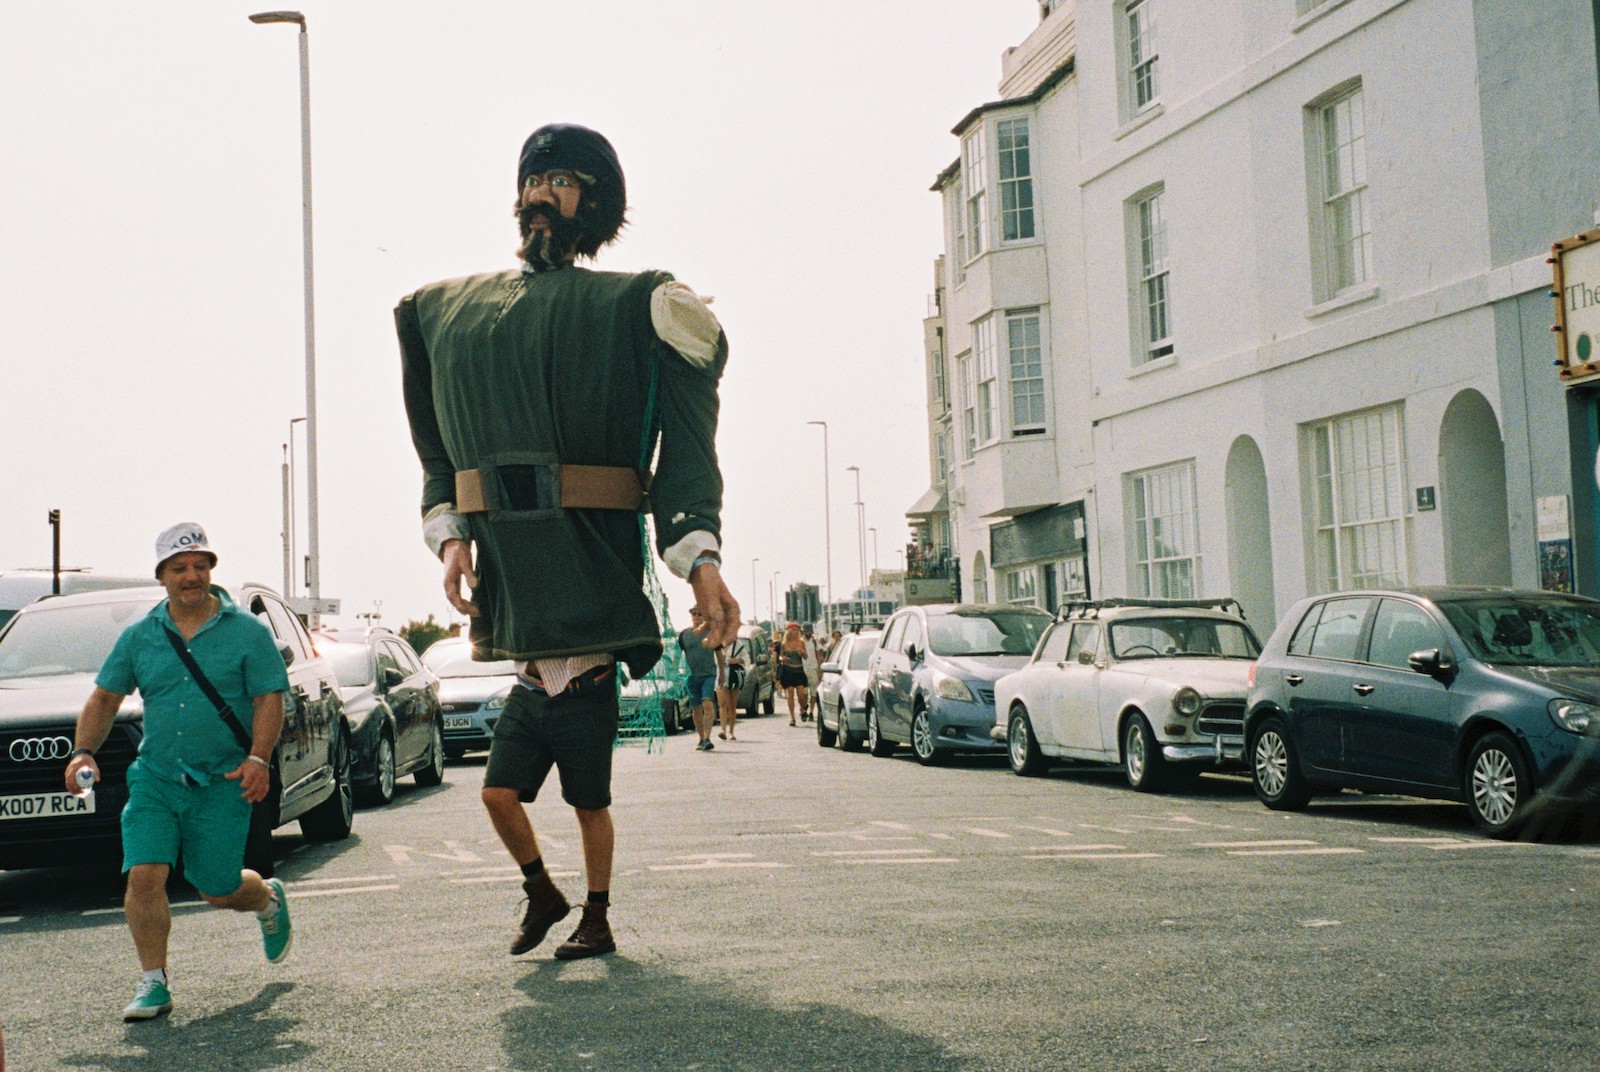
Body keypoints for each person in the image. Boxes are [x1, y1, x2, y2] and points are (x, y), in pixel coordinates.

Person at [397, 123, 739, 962]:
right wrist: (450, 539)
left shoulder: (643, 305)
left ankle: (594, 909)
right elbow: (438, 447)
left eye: (565, 179)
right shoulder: (439, 314)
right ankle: (547, 894)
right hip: (515, 601)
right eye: (534, 177)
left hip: (590, 595)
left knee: (589, 799)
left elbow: (687, 452)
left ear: (598, 203)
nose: (541, 192)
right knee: (500, 792)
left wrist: (701, 561)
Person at [64, 524, 292, 1022]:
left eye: (200, 566)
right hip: (157, 776)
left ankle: (267, 899)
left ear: (211, 569)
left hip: (224, 780)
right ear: (162, 576)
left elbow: (268, 699)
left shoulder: (247, 633)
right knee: (144, 873)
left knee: (217, 887)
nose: (192, 576)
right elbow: (105, 698)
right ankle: (153, 982)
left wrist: (258, 758)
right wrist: (83, 751)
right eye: (179, 568)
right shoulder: (140, 638)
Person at [678, 609, 719, 751]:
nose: (696, 616)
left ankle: (707, 737)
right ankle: (701, 738)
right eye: (694, 614)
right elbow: (678, 654)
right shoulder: (684, 635)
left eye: (699, 613)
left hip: (708, 674)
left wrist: (722, 675)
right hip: (691, 676)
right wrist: (675, 671)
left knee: (707, 704)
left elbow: (719, 654)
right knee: (696, 708)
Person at [715, 631, 749, 741]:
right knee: (722, 703)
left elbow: (746, 658)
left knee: (732, 704)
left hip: (734, 675)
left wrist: (737, 660)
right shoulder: (717, 643)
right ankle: (723, 730)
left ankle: (731, 732)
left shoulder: (737, 644)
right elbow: (713, 659)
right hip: (721, 674)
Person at [777, 623, 808, 725]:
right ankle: (792, 718)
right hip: (788, 670)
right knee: (790, 693)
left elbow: (806, 657)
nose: (796, 632)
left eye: (797, 630)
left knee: (801, 694)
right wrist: (783, 658)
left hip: (798, 670)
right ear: (789, 631)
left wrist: (802, 652)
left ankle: (802, 709)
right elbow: (780, 657)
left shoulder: (801, 643)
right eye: (794, 630)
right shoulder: (784, 644)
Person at [799, 624, 822, 722]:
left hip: (813, 669)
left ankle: (812, 712)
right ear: (803, 631)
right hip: (802, 669)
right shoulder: (799, 642)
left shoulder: (815, 642)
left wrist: (820, 670)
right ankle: (804, 708)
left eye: (810, 631)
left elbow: (818, 656)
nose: (808, 633)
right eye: (806, 631)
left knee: (813, 692)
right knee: (803, 693)